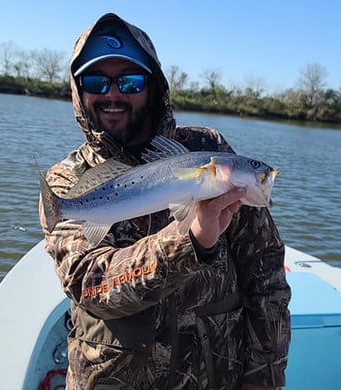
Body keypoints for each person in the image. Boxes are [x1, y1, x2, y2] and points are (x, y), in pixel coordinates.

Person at [39, 13, 291, 390]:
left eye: (129, 80)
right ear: (79, 90)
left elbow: (266, 270)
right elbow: (90, 287)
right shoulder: (67, 180)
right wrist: (189, 240)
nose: (112, 94)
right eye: (96, 81)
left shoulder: (208, 148)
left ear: (153, 87)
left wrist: (264, 376)